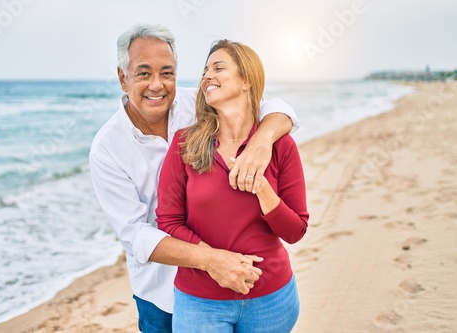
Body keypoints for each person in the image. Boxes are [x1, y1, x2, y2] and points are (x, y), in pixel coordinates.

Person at [89, 25, 300, 333]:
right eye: (144, 74)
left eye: (167, 73)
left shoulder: (199, 105)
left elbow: (274, 108)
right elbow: (135, 234)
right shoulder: (107, 148)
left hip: (245, 288)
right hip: (160, 294)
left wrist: (262, 140)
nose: (157, 85)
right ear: (123, 78)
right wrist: (211, 260)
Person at [156, 39, 309, 332]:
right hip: (200, 302)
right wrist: (214, 261)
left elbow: (296, 231)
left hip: (272, 300)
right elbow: (169, 222)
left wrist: (262, 189)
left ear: (246, 81)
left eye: (218, 68)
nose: (206, 76)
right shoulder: (184, 143)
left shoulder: (280, 145)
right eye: (205, 70)